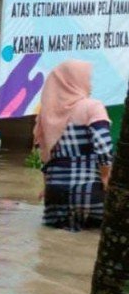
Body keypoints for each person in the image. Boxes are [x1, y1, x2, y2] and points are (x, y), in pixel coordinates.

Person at [34, 60, 112, 231]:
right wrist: (106, 178)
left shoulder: (45, 116)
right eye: (88, 79)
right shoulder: (92, 107)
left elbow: (45, 158)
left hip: (55, 193)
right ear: (76, 80)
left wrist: (47, 187)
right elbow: (104, 148)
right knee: (87, 250)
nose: (90, 84)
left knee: (53, 249)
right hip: (89, 190)